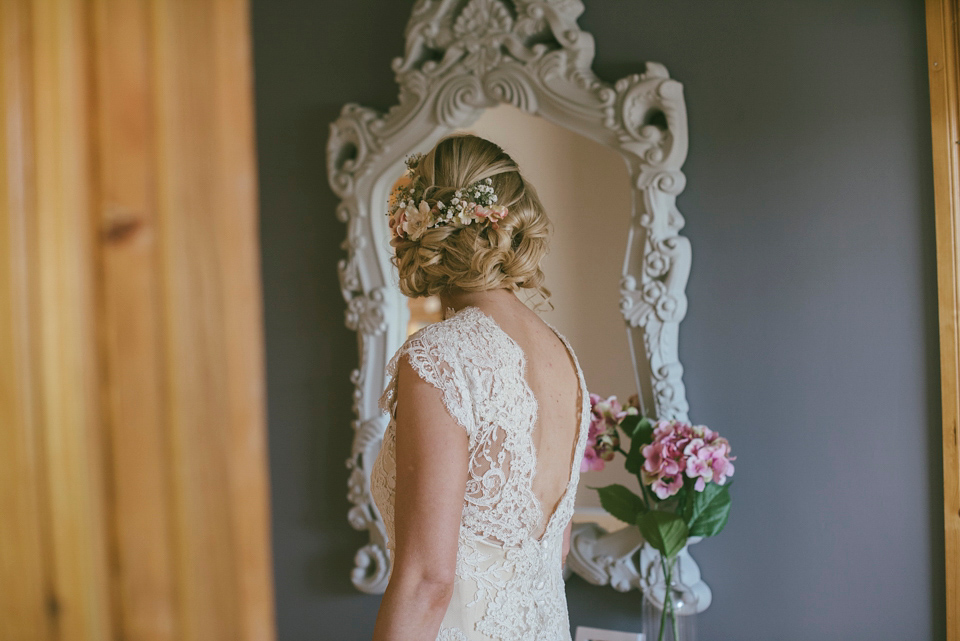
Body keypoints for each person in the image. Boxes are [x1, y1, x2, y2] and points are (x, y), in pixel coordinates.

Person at [371, 134, 590, 641]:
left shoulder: (441, 356)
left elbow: (428, 582)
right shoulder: (563, 357)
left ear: (415, 227)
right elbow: (554, 551)